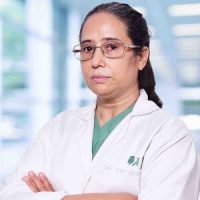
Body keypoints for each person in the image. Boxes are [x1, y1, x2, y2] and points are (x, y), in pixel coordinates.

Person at [0, 2, 199, 200]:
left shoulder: (170, 135)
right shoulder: (58, 127)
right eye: (87, 48)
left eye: (111, 47)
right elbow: (9, 194)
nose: (95, 61)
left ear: (141, 57)